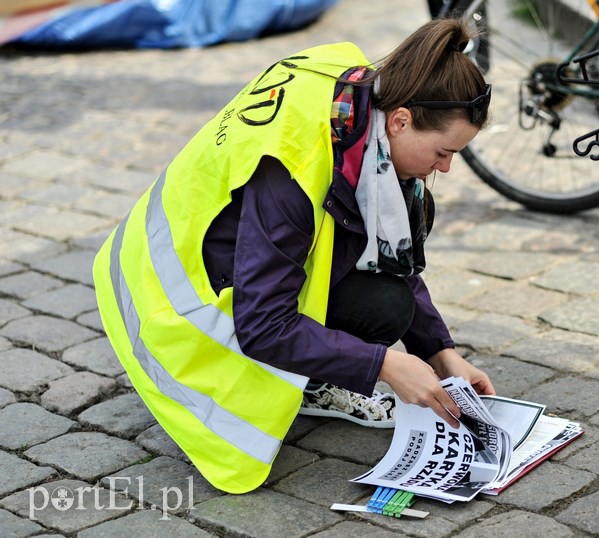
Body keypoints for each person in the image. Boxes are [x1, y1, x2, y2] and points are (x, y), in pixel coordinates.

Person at [93, 17, 496, 494]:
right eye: (443, 152)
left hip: (223, 255)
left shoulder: (357, 100)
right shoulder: (294, 167)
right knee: (378, 310)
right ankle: (310, 382)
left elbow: (387, 248)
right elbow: (263, 324)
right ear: (401, 120)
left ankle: (316, 368)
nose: (445, 167)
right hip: (171, 308)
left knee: (393, 284)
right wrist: (384, 366)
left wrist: (439, 352)